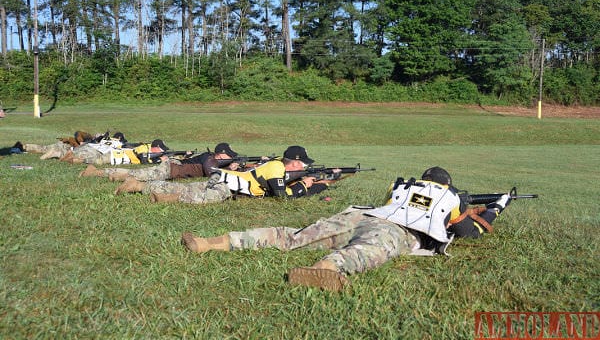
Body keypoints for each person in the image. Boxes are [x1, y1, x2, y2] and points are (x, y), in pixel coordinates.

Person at [180, 166, 513, 292]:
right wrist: (496, 207)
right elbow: (468, 231)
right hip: (395, 231)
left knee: (294, 235)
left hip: (361, 216)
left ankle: (211, 243)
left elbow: (392, 203)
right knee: (366, 252)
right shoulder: (450, 196)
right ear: (448, 184)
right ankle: (325, 269)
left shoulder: (404, 185)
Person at [114, 145, 341, 204]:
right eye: (302, 165)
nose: (303, 169)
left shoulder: (277, 167)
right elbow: (282, 198)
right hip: (228, 186)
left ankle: (139, 186)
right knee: (198, 198)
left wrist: (316, 183)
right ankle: (156, 193)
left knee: (188, 189)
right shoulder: (276, 168)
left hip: (225, 181)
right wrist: (307, 185)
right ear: (295, 163)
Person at [80, 142, 248, 182]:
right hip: (169, 169)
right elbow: (213, 173)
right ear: (220, 155)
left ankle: (97, 171)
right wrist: (233, 169)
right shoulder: (209, 159)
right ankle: (95, 172)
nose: (230, 158)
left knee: (137, 174)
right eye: (229, 156)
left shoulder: (213, 159)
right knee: (135, 174)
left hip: (172, 169)